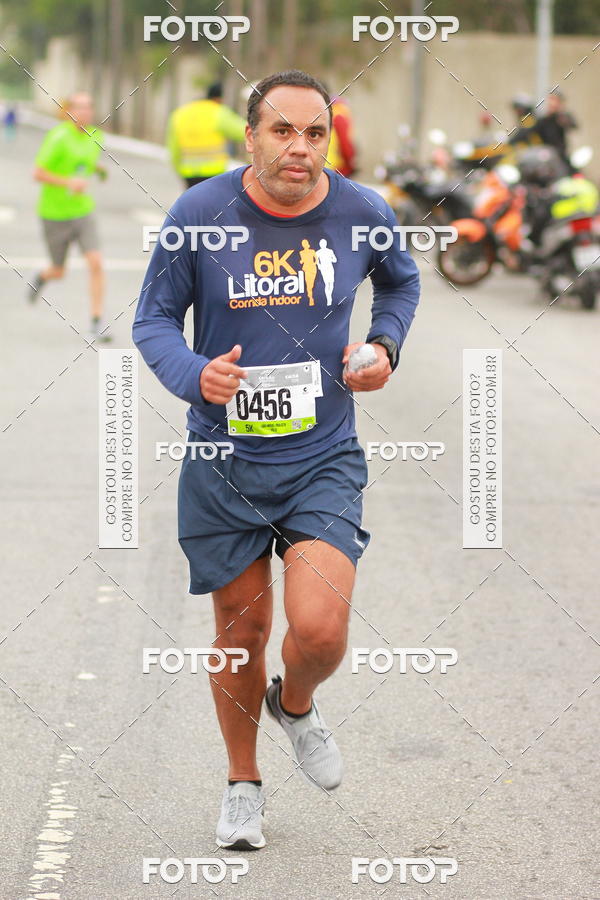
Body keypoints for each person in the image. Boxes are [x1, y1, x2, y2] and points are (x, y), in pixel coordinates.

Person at [133, 68, 420, 851]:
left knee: (321, 632)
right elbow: (153, 319)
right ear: (251, 136)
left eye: (315, 133)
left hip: (323, 452)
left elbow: (401, 284)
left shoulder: (362, 212)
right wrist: (198, 375)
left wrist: (385, 345)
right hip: (225, 457)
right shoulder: (200, 214)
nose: (300, 149)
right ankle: (242, 784)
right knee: (241, 629)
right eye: (283, 131)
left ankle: (294, 704)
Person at [30, 92, 110, 342]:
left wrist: (98, 170)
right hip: (53, 213)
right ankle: (42, 276)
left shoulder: (97, 136)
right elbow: (38, 173)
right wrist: (68, 181)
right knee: (58, 270)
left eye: (89, 107)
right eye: (80, 107)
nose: (85, 112)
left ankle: (96, 323)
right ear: (69, 111)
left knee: (96, 262)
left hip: (82, 210)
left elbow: (85, 163)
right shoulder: (57, 137)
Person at [166, 82, 247, 188]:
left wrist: (178, 169)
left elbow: (173, 148)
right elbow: (243, 131)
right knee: (213, 203)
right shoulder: (218, 111)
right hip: (213, 172)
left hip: (188, 172)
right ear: (219, 98)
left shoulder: (180, 113)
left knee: (193, 202)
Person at [535, 90, 577, 169]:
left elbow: (574, 125)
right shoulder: (543, 119)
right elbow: (529, 131)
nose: (552, 103)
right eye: (550, 100)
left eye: (554, 100)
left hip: (560, 155)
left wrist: (561, 118)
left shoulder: (562, 117)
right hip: (544, 155)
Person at [325, 94, 356, 177]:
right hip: (335, 167)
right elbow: (345, 143)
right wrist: (350, 164)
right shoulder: (339, 116)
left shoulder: (327, 114)